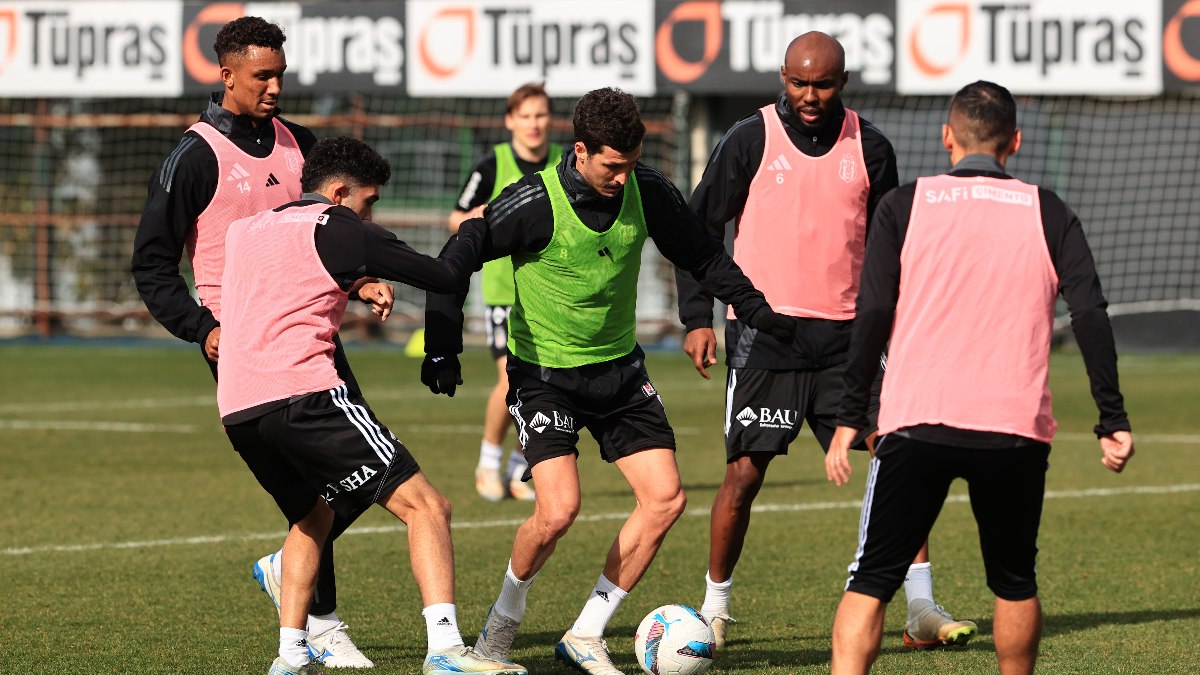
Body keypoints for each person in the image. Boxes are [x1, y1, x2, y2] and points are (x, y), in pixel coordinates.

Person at [420, 87, 798, 675]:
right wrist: (442, 347)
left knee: (666, 499)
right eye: (612, 166)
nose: (623, 178)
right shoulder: (534, 202)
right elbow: (458, 254)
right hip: (544, 374)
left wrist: (758, 310)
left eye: (632, 162)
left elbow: (702, 255)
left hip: (620, 370)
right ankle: (502, 623)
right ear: (580, 151)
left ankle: (586, 632)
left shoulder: (646, 188)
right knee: (558, 511)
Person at [674, 31, 973, 651]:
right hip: (766, 338)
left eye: (823, 84)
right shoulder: (749, 139)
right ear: (783, 77)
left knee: (899, 458)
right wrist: (697, 316)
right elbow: (697, 230)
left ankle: (920, 606)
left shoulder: (872, 147)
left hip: (850, 342)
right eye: (798, 83)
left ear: (844, 82)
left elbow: (892, 248)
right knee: (743, 476)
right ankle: (715, 607)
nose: (809, 96)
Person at [824, 80, 1135, 675]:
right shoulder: (1048, 210)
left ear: (947, 137)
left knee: (871, 581)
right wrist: (1111, 419)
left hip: (915, 422)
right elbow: (1091, 314)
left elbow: (873, 311)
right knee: (1014, 581)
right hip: (1013, 428)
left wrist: (849, 417)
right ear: (1014, 142)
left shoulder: (904, 205)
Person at [218, 136, 529, 675]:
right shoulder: (337, 226)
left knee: (314, 517)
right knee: (428, 507)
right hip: (306, 395)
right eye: (369, 202)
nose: (370, 216)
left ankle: (290, 657)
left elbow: (289, 279)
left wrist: (358, 282)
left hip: (239, 408)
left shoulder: (247, 229)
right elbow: (443, 276)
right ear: (341, 193)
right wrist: (471, 231)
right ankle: (446, 649)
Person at [130, 17, 377, 668]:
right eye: (262, 76)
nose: (274, 87)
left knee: (362, 474)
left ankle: (289, 575)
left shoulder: (303, 145)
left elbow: (329, 233)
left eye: (280, 75)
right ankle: (321, 622)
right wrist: (202, 328)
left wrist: (362, 280)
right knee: (310, 489)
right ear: (227, 74)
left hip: (313, 337)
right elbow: (151, 265)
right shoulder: (194, 157)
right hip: (243, 349)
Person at [448, 83, 563, 502]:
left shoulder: (564, 161)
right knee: (510, 379)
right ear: (510, 120)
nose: (534, 124)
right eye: (526, 116)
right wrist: (487, 217)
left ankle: (519, 468)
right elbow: (455, 218)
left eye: (540, 115)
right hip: (504, 291)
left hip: (550, 290)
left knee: (547, 381)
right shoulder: (491, 164)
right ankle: (488, 463)